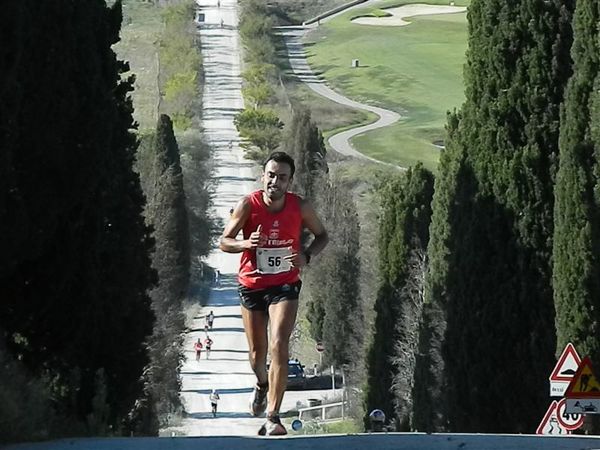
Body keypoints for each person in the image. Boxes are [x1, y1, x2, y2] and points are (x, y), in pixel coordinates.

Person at [219, 151, 328, 436]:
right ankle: (261, 383)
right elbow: (224, 241)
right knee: (257, 355)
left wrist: (306, 256)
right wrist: (245, 244)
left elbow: (322, 235)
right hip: (252, 285)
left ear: (290, 181)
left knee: (279, 343)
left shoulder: (300, 207)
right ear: (263, 176)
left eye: (282, 177)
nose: (275, 182)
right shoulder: (248, 205)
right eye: (271, 175)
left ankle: (273, 415)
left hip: (285, 284)